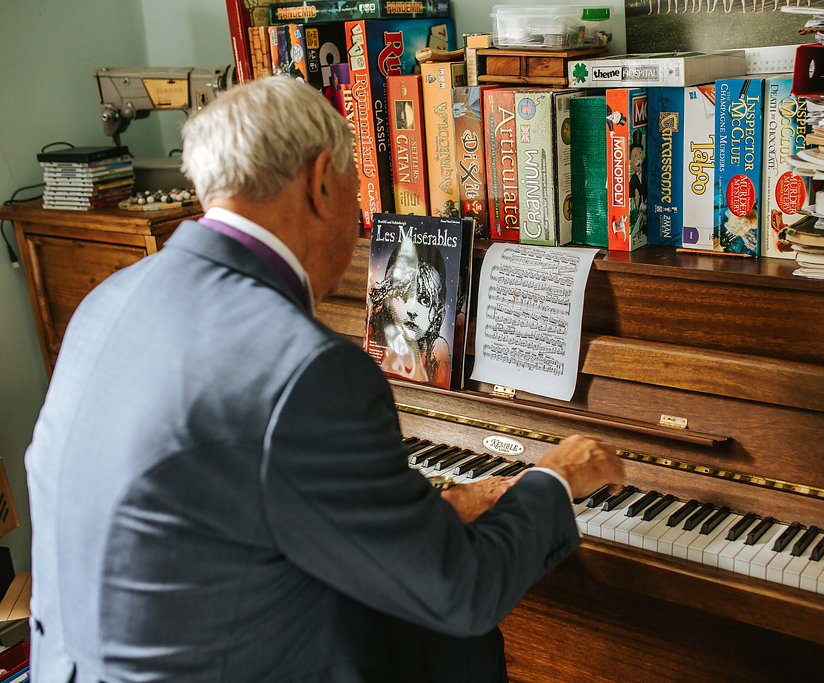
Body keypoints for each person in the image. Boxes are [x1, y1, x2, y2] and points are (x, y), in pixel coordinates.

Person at [25, 77, 624, 682]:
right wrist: (555, 476)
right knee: (455, 649)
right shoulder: (307, 367)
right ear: (318, 183)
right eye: (356, 190)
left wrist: (443, 506)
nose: (361, 217)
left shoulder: (110, 298)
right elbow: (458, 592)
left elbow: (238, 497)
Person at [366, 235, 451, 386]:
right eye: (404, 294)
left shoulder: (439, 357)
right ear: (387, 296)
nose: (413, 310)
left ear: (437, 313)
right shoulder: (372, 333)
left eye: (425, 300)